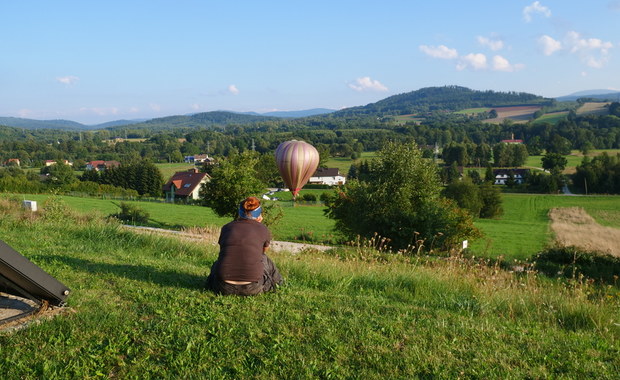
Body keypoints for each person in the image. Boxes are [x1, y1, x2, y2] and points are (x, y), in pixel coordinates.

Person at [206, 197, 283, 296]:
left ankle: (210, 283)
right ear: (259, 215)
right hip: (253, 288)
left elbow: (224, 249)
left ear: (239, 212)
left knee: (219, 261)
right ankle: (279, 283)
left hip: (223, 287)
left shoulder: (226, 227)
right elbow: (262, 252)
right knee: (265, 259)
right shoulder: (263, 229)